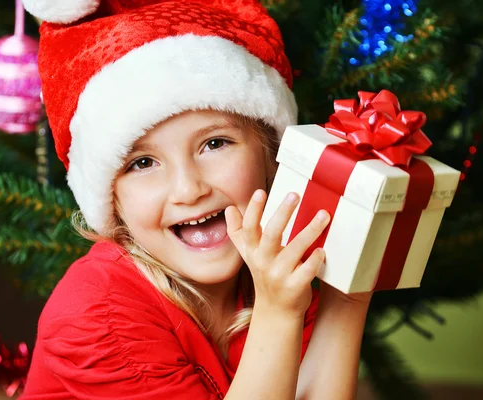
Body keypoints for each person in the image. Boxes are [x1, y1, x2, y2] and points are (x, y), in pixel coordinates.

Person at [20, 0, 372, 398]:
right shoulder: (97, 313)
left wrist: (348, 293)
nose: (189, 190)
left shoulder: (275, 270)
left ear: (269, 153)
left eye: (215, 143)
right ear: (111, 198)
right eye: (143, 163)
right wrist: (278, 314)